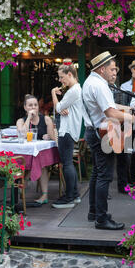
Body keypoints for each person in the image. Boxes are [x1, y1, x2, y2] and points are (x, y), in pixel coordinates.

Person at [82, 51, 134, 230]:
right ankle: (102, 219)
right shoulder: (100, 85)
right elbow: (111, 113)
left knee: (97, 173)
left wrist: (128, 108)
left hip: (94, 131)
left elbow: (108, 106)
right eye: (112, 69)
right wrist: (132, 118)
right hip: (102, 133)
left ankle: (94, 212)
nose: (115, 72)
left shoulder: (91, 82)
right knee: (105, 176)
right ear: (102, 69)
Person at [50, 62, 85, 208]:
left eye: (62, 77)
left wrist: (53, 93)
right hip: (69, 129)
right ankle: (74, 194)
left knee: (67, 164)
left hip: (67, 130)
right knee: (68, 163)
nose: (60, 80)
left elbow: (58, 107)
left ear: (70, 74)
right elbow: (61, 109)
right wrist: (61, 108)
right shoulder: (74, 90)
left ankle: (70, 196)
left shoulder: (73, 90)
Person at [16, 94, 56, 204]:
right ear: (25, 107)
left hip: (43, 155)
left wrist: (49, 136)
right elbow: (22, 135)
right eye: (30, 105)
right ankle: (21, 188)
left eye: (35, 105)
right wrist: (29, 117)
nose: (33, 107)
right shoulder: (21, 121)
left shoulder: (46, 119)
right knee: (27, 163)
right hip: (26, 155)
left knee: (41, 163)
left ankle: (44, 195)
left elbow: (54, 138)